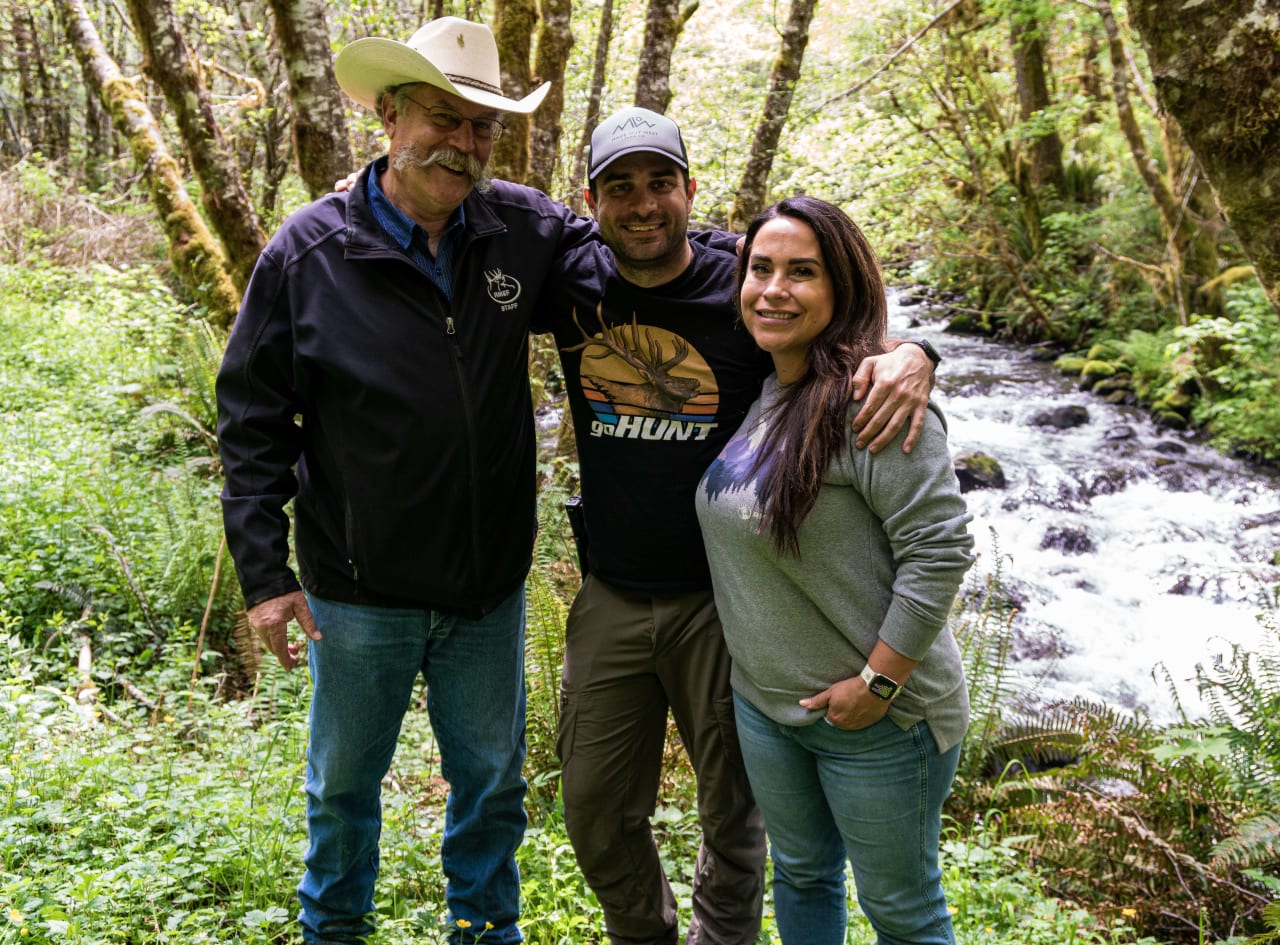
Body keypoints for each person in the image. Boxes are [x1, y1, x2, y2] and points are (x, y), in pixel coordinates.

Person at [215, 18, 600, 945]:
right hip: (359, 591)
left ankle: (484, 932)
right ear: (389, 116)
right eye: (443, 118)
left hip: (484, 591)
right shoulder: (308, 254)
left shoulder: (523, 230)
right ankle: (334, 932)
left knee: (491, 788)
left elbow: (654, 263)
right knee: (343, 790)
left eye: (481, 127)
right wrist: (266, 579)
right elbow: (252, 420)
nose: (463, 144)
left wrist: (879, 336)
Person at [533, 113, 939, 945]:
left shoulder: (744, 283)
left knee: (736, 813)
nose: (642, 205)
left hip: (727, 601)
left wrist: (918, 351)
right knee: (594, 806)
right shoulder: (568, 275)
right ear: (591, 201)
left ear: (690, 190)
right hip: (612, 591)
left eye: (659, 184)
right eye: (620, 187)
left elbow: (843, 333)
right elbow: (465, 260)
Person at [694, 196, 975, 945]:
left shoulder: (872, 403)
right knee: (803, 874)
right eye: (760, 269)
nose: (774, 288)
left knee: (904, 915)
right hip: (771, 710)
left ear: (841, 287)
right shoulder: (771, 390)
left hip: (881, 718)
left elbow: (941, 549)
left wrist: (878, 684)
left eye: (802, 272)